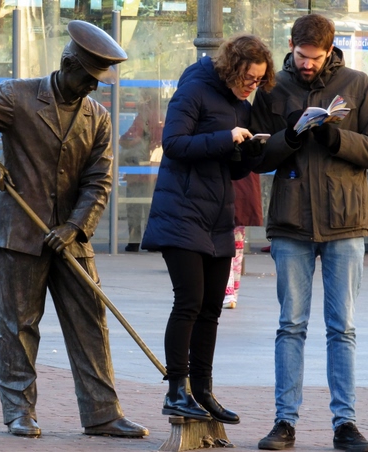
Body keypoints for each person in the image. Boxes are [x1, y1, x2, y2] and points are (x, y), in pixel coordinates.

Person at [0, 20, 148, 439]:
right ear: (68, 64)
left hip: (72, 239)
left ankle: (103, 413)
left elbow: (99, 181)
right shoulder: (17, 96)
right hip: (22, 232)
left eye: (98, 80)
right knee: (19, 325)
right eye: (88, 78)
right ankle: (19, 411)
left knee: (91, 323)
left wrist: (74, 226)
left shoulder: (97, 117)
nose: (93, 87)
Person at [250, 14, 368, 451]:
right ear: (291, 46)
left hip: (345, 222)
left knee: (342, 327)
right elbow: (256, 157)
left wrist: (337, 139)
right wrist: (290, 136)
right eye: (301, 55)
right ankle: (284, 422)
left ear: (330, 50)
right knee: (290, 324)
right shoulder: (272, 88)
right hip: (291, 222)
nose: (308, 64)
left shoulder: (357, 84)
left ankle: (345, 424)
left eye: (316, 57)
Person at [141, 35, 275, 423]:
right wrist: (224, 137)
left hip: (217, 216)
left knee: (212, 309)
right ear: (232, 68)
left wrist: (248, 155)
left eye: (259, 80)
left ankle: (202, 391)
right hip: (181, 210)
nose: (253, 86)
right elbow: (174, 143)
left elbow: (230, 169)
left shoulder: (241, 106)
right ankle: (175, 392)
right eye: (249, 78)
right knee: (189, 302)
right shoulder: (194, 90)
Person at [119, 88, 164, 252]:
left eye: (141, 98)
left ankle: (134, 240)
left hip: (138, 171)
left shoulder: (143, 119)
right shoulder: (161, 119)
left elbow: (128, 140)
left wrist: (126, 141)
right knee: (151, 208)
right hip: (152, 172)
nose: (138, 102)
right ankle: (150, 240)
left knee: (135, 207)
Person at [222, 172, 263, 309]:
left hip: (224, 190)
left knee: (222, 244)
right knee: (237, 244)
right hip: (245, 189)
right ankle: (233, 292)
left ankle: (228, 293)